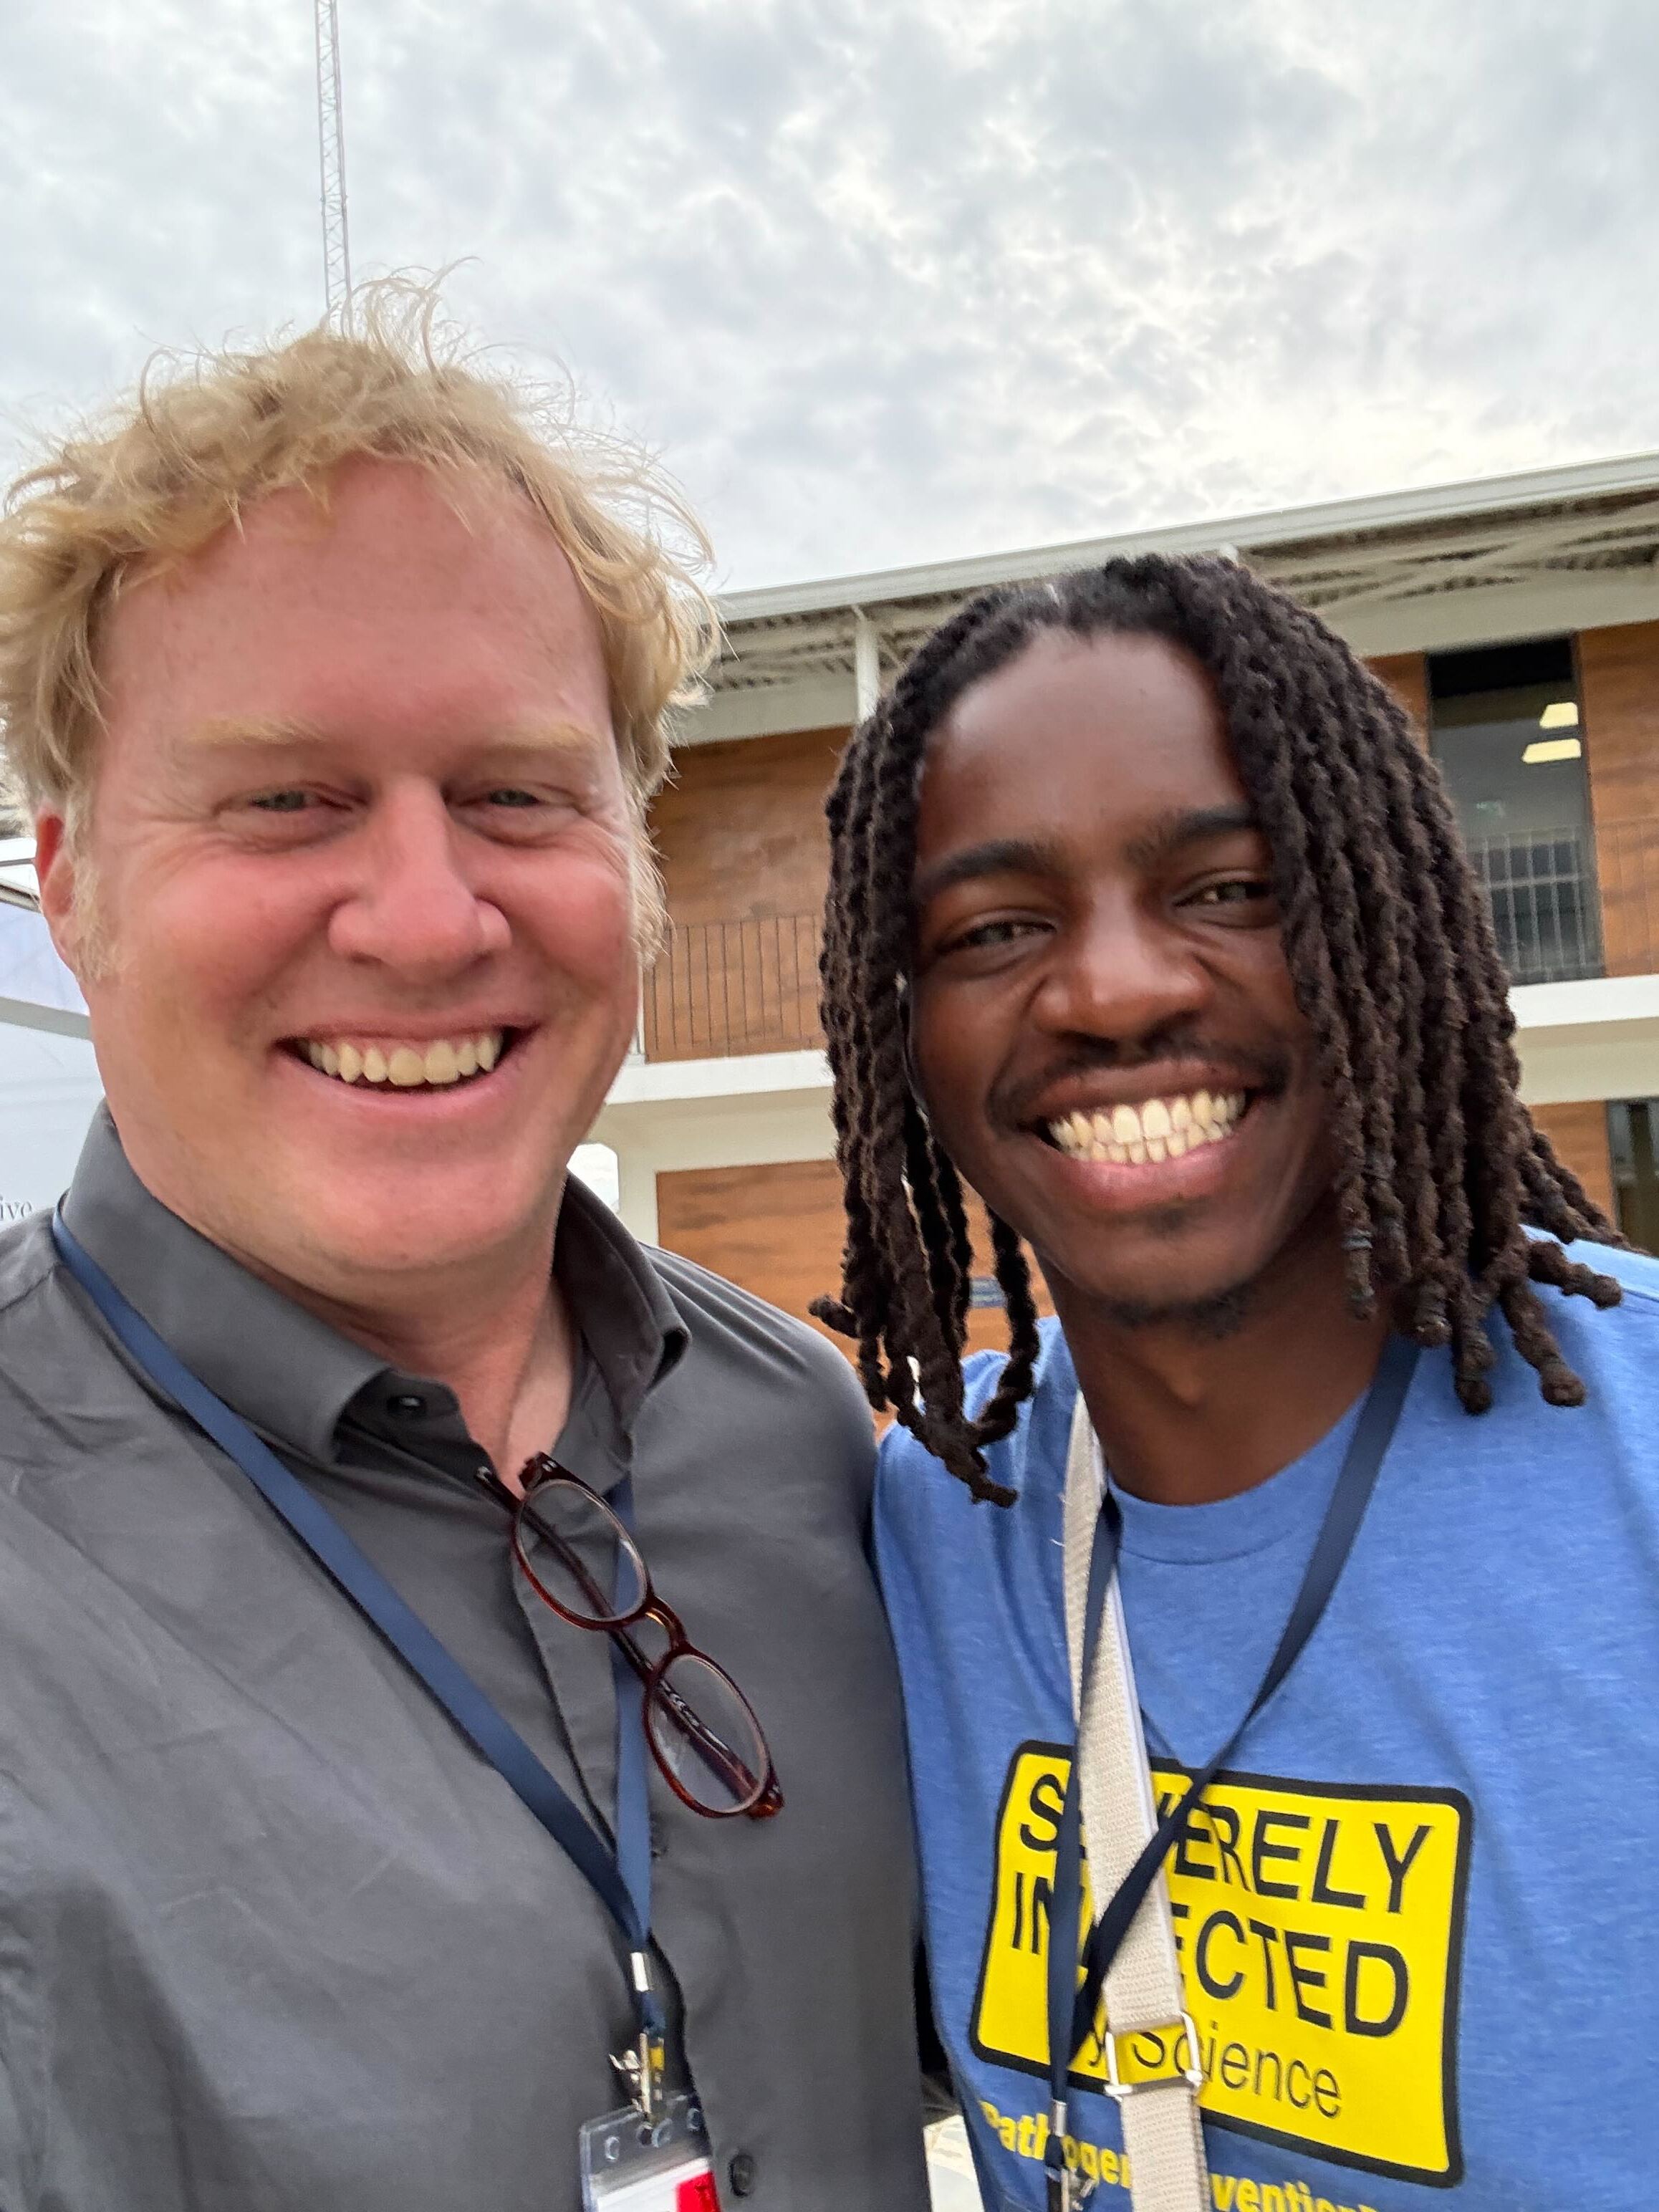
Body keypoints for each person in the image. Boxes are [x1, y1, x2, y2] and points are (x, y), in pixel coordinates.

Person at [0, 289, 928, 2211]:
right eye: (286, 800)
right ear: (70, 878)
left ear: (638, 863)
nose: (426, 921)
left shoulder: (815, 1456)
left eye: (515, 794)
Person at [813, 555, 1659, 2211]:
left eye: (1228, 889)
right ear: (900, 1028)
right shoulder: (933, 1522)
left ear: (1381, 916)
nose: (1118, 989)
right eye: (996, 927)